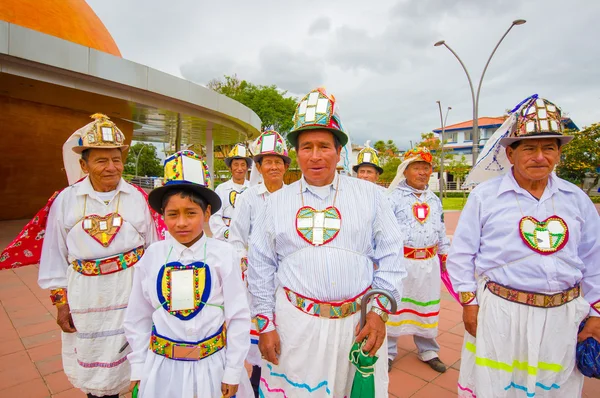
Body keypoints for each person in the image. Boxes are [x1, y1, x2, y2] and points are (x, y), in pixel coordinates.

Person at [247, 87, 407, 397]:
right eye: (306, 147)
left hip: (355, 328)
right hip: (295, 328)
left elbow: (392, 257)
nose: (316, 156)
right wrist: (265, 325)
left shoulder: (371, 196)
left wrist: (378, 313)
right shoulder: (275, 203)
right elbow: (260, 267)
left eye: (324, 146)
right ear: (296, 153)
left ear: (339, 151)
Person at [447, 95, 600, 397]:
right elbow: (461, 254)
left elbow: (593, 258)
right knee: (498, 386)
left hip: (563, 317)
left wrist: (596, 313)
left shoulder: (576, 199)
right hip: (501, 314)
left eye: (549, 148)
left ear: (558, 154)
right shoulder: (485, 197)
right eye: (530, 148)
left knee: (553, 387)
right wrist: (469, 303)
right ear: (511, 154)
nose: (540, 157)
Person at [37, 114, 160, 398]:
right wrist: (61, 303)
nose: (111, 167)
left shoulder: (137, 197)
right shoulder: (66, 200)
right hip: (87, 295)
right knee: (96, 365)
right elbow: (55, 253)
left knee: (136, 357)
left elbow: (153, 249)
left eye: (116, 160)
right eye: (101, 161)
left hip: (131, 292)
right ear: (84, 164)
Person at [123, 150, 252, 398]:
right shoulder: (152, 256)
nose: (181, 223)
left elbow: (238, 316)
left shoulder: (224, 254)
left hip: (213, 366)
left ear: (206, 214)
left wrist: (233, 370)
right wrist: (139, 364)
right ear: (162, 216)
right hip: (163, 370)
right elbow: (137, 316)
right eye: (173, 214)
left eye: (191, 213)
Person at [229, 130, 291, 396]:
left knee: (288, 339)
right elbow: (235, 239)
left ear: (286, 166)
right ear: (259, 166)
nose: (274, 166)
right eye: (268, 161)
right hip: (257, 281)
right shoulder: (248, 198)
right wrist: (245, 265)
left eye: (279, 161)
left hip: (289, 281)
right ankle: (257, 388)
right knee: (260, 343)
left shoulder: (295, 197)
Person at [385, 147, 450, 373]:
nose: (422, 172)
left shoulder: (434, 199)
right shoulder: (392, 198)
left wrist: (445, 252)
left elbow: (440, 228)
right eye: (417, 167)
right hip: (401, 262)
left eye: (426, 168)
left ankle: (428, 350)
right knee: (396, 306)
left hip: (429, 264)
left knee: (427, 305)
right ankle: (388, 352)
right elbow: (383, 232)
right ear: (405, 170)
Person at [209, 143, 252, 241]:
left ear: (247, 168)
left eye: (243, 165)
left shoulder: (253, 189)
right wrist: (227, 233)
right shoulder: (221, 189)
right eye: (236, 165)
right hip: (223, 241)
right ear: (230, 168)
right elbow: (215, 215)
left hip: (246, 241)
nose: (239, 168)